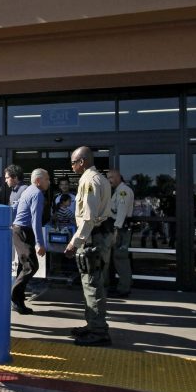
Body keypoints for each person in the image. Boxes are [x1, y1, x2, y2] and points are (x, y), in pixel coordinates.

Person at [64, 146, 114, 347]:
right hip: (101, 235)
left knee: (91, 284)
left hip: (92, 238)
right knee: (96, 282)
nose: (72, 166)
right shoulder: (100, 178)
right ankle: (93, 324)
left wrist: (74, 243)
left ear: (82, 161)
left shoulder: (88, 180)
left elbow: (88, 218)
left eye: (74, 162)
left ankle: (99, 331)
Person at [11, 168, 50, 315]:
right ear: (38, 180)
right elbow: (36, 220)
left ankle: (18, 302)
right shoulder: (37, 194)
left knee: (24, 266)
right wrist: (40, 243)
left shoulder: (27, 190)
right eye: (47, 179)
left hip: (18, 230)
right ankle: (14, 295)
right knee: (31, 266)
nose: (49, 182)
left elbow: (15, 208)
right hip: (23, 231)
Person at [107, 169, 135, 297]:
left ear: (118, 177)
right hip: (119, 228)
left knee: (121, 258)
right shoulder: (118, 191)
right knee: (117, 258)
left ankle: (124, 289)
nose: (109, 180)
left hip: (121, 229)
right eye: (108, 178)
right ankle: (121, 286)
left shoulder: (123, 191)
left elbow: (121, 214)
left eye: (111, 177)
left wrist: (116, 232)